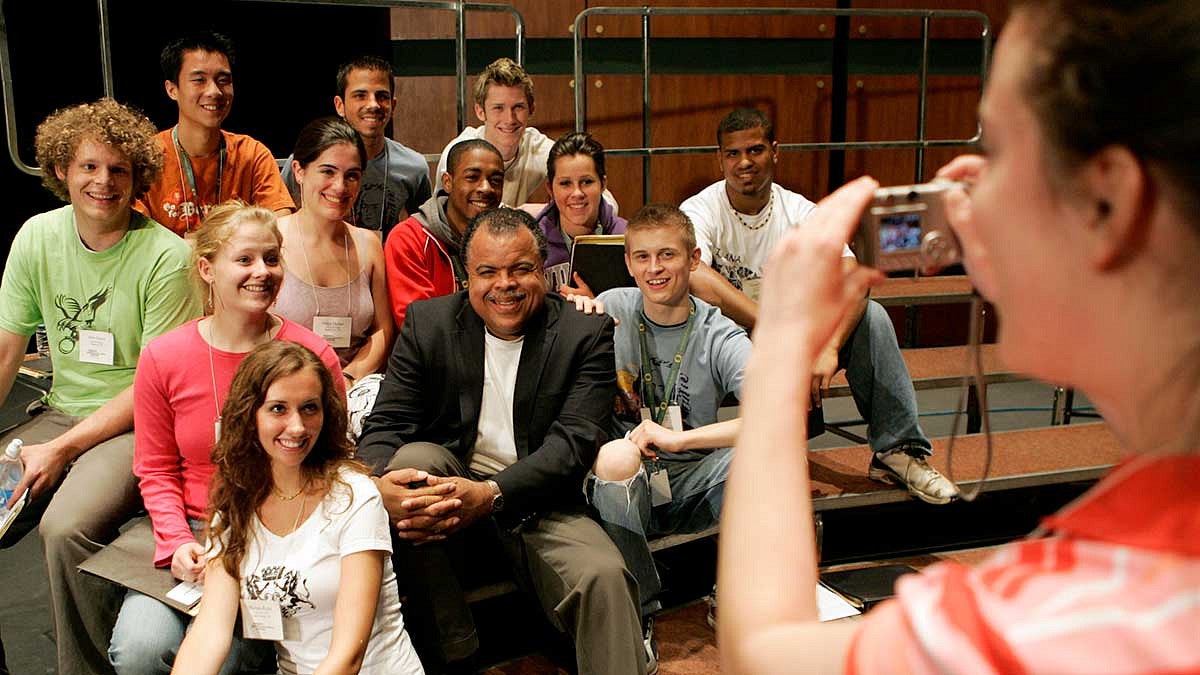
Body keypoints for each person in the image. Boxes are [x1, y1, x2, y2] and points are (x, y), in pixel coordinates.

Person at [720, 2, 1200, 673]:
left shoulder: (1056, 626)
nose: (963, 179)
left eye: (996, 148)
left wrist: (780, 348)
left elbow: (760, 654)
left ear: (1109, 202)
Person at [358, 208, 645, 674]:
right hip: (451, 494)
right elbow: (387, 423)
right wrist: (376, 487)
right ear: (465, 275)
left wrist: (492, 494)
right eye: (487, 272)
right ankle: (457, 655)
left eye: (521, 269)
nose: (504, 284)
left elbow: (571, 446)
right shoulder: (430, 323)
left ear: (543, 271)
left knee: (603, 576)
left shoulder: (584, 333)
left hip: (540, 501)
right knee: (411, 462)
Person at [0, 98, 198, 675]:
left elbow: (152, 387)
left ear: (137, 176)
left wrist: (62, 449)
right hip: (56, 410)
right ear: (62, 169)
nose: (103, 182)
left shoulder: (165, 256)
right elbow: (9, 349)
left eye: (119, 169)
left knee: (64, 529)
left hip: (134, 421)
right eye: (89, 166)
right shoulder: (37, 236)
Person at [107, 201, 346, 674]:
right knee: (139, 650)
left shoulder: (311, 354)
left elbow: (334, 459)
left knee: (226, 661)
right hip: (194, 532)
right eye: (244, 259)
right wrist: (177, 541)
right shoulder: (164, 357)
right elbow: (154, 467)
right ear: (206, 268)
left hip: (275, 535)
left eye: (272, 259)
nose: (262, 272)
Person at [682, 108, 958, 505]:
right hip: (730, 337)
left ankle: (898, 451)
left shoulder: (799, 211)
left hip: (796, 336)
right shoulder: (702, 209)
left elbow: (853, 277)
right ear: (720, 158)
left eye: (756, 150)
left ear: (775, 151)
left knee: (872, 318)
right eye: (733, 153)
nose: (744, 163)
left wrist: (826, 348)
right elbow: (695, 275)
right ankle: (695, 468)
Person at [172, 341, 422, 674]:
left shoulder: (354, 495)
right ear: (250, 415)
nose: (298, 427)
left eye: (309, 408)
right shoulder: (234, 506)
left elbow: (348, 657)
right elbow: (209, 634)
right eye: (278, 409)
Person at [588, 203, 748, 661]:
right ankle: (636, 613)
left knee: (765, 459)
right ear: (628, 263)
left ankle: (737, 592)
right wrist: (570, 311)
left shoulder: (719, 334)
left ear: (694, 259)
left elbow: (780, 415)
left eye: (667, 255)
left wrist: (680, 440)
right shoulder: (611, 308)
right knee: (616, 457)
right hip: (621, 484)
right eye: (642, 257)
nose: (654, 269)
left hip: (691, 482)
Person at [135, 31, 294, 236]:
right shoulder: (147, 158)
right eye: (199, 80)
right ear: (172, 89)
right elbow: (137, 243)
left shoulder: (252, 155)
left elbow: (281, 229)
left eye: (223, 80)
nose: (214, 92)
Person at [274, 117, 395, 385]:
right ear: (299, 171)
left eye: (351, 175)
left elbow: (382, 330)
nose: (340, 187)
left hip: (354, 389)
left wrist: (350, 378)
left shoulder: (369, 244)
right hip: (283, 388)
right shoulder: (271, 240)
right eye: (328, 172)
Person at [280, 56, 432, 241]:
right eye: (360, 96)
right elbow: (283, 219)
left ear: (393, 105)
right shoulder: (309, 161)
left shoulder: (413, 166)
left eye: (382, 96)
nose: (373, 104)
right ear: (340, 105)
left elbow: (423, 235)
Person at [384, 138, 503, 328]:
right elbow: (418, 326)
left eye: (495, 180)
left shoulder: (508, 238)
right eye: (472, 177)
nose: (486, 188)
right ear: (447, 182)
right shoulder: (409, 239)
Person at [435, 58, 552, 208]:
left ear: (532, 109)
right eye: (498, 108)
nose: (509, 119)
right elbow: (452, 217)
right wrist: (525, 213)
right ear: (480, 111)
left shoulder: (538, 147)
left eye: (518, 107)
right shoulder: (458, 154)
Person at [528, 131, 627, 296]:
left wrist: (599, 306)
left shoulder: (628, 238)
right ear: (550, 188)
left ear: (603, 184)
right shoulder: (530, 242)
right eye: (565, 183)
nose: (577, 193)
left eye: (587, 182)